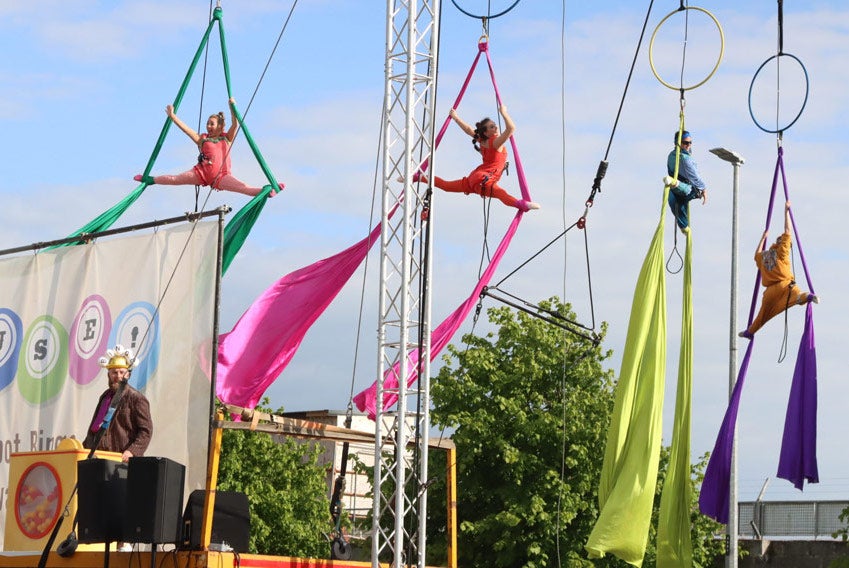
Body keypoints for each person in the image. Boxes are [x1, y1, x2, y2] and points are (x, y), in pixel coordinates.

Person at [135, 98, 283, 197]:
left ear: (220, 126)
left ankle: (267, 190)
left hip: (221, 177)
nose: (208, 126)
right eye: (207, 123)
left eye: (212, 124)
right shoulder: (203, 139)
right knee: (175, 179)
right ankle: (150, 179)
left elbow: (235, 124)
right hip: (201, 173)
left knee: (242, 187)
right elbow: (186, 130)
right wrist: (173, 117)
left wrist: (232, 107)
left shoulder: (227, 138)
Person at [412, 105, 539, 212]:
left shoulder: (482, 141)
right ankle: (522, 205)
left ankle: (419, 177)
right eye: (492, 127)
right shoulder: (495, 142)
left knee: (446, 186)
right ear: (486, 133)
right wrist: (503, 112)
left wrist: (455, 117)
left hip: (475, 179)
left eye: (495, 125)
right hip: (484, 179)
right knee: (501, 194)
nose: (496, 128)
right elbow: (511, 128)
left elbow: (468, 130)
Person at [738, 201, 819, 339]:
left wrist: (763, 238)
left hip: (770, 292)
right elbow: (787, 231)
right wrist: (786, 211)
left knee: (763, 315)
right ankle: (809, 297)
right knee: (797, 297)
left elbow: (756, 254)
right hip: (786, 286)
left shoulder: (764, 256)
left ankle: (750, 332)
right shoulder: (782, 252)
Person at [83, 345, 152, 463]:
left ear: (128, 375)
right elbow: (94, 429)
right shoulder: (105, 397)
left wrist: (132, 451)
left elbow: (146, 431)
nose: (118, 376)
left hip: (122, 461)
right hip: (100, 459)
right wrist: (83, 449)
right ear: (109, 374)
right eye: (114, 372)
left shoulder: (136, 398)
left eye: (121, 372)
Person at [663, 130, 707, 232]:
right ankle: (675, 183)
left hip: (677, 190)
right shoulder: (684, 159)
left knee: (677, 204)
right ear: (678, 142)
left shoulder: (671, 155)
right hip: (687, 188)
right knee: (688, 192)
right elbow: (694, 177)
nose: (688, 145)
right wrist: (704, 189)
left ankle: (684, 227)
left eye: (690, 143)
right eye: (686, 143)